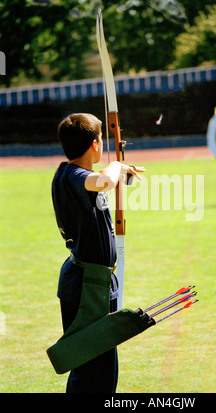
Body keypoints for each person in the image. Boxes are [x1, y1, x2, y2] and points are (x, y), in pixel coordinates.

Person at [51, 113, 145, 393]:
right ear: (94, 145)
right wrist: (116, 164)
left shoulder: (80, 177)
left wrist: (122, 172)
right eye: (102, 139)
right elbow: (102, 182)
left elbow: (100, 182)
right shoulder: (71, 176)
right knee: (92, 366)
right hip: (86, 284)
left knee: (99, 365)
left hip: (93, 280)